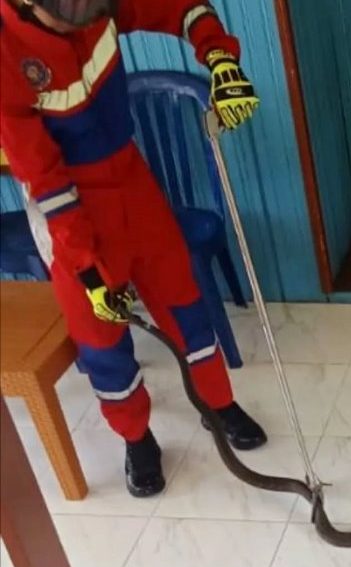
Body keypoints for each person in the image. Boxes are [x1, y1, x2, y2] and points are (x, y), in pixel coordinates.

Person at [0, 0, 267, 497]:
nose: (88, 20)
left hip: (131, 177)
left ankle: (217, 404)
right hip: (67, 207)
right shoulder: (5, 52)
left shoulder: (98, 4)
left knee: (183, 299)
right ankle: (136, 437)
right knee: (100, 336)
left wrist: (220, 58)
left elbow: (184, 8)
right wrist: (88, 269)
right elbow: (44, 179)